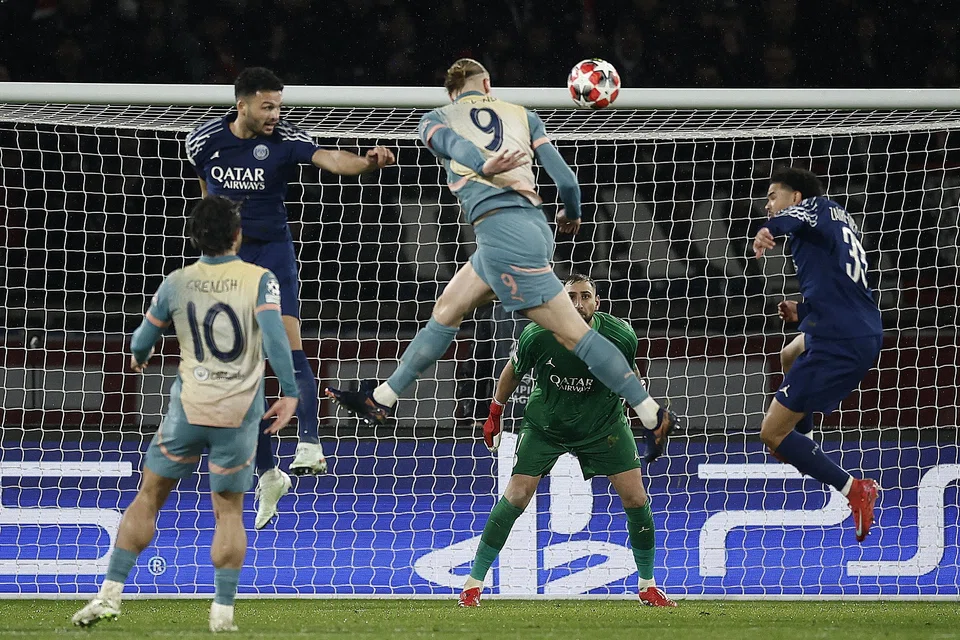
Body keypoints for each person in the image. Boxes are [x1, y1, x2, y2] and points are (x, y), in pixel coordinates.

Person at [325, 58, 677, 462]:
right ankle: (383, 398)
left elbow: (452, 144)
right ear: (487, 84)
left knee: (574, 336)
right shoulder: (522, 115)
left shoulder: (435, 119)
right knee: (447, 309)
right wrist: (573, 214)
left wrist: (481, 165)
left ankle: (651, 414)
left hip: (504, 235)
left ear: (451, 91)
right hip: (520, 230)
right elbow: (566, 181)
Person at [71, 196, 300, 632]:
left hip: (189, 409)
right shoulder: (260, 279)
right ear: (237, 235)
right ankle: (222, 613)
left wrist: (141, 354)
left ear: (195, 237)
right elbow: (275, 337)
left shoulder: (177, 282)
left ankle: (109, 595)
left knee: (149, 497)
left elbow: (141, 339)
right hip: (237, 412)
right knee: (228, 511)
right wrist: (289, 393)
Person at [185, 66, 396, 529]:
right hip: (230, 257)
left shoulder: (284, 138)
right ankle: (267, 474)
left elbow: (329, 159)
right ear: (241, 104)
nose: (275, 114)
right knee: (241, 374)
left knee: (288, 339)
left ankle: (309, 441)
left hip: (273, 251)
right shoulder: (201, 141)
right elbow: (207, 193)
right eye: (267, 106)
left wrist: (366, 163)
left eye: (278, 105)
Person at [458, 274, 676, 608]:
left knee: (635, 498)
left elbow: (630, 377)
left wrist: (646, 416)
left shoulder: (620, 335)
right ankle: (473, 584)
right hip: (547, 425)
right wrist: (495, 412)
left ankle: (647, 584)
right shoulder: (537, 334)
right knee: (516, 495)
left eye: (585, 296)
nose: (577, 303)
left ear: (597, 302)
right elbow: (512, 372)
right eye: (570, 296)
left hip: (603, 426)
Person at [753, 166, 883, 542]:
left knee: (770, 433)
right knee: (789, 351)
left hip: (838, 341)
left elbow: (794, 216)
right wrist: (804, 311)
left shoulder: (811, 209)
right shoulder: (839, 217)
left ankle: (854, 490)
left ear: (795, 196)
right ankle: (803, 436)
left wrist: (768, 232)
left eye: (772, 196)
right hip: (853, 326)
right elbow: (842, 284)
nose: (768, 206)